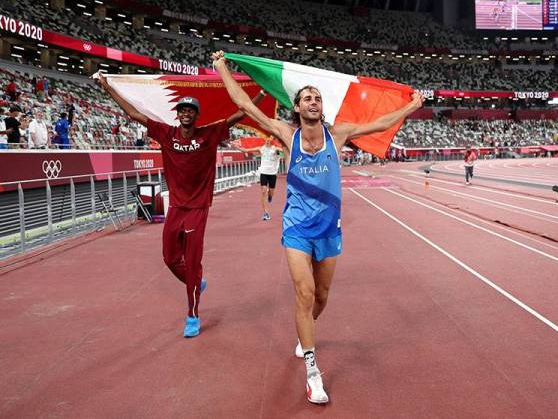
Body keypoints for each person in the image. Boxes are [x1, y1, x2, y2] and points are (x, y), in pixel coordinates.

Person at [212, 51, 423, 405]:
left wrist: (411, 107)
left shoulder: (337, 135)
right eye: (307, 97)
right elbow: (246, 105)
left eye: (318, 98)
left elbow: (381, 124)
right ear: (296, 107)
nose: (314, 101)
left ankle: (304, 331)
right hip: (297, 226)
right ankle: (312, 370)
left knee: (321, 298)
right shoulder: (286, 134)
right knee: (304, 294)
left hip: (329, 229)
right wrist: (221, 68)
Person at [96, 72, 266, 338]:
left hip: (198, 209)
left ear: (196, 115)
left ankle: (192, 315)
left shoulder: (209, 134)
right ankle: (196, 282)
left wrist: (260, 95)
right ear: (177, 114)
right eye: (182, 109)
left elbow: (239, 115)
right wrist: (107, 87)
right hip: (175, 207)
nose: (186, 113)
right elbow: (133, 114)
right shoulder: (166, 133)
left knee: (193, 261)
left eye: (191, 110)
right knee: (170, 259)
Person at [238, 136, 283, 221]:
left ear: (272, 140)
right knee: (263, 191)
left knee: (271, 192)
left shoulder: (276, 149)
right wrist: (236, 147)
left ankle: (270, 195)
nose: (267, 140)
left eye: (269, 139)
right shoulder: (261, 148)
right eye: (266, 139)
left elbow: (283, 153)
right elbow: (246, 150)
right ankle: (266, 213)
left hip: (272, 173)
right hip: (263, 173)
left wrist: (279, 152)